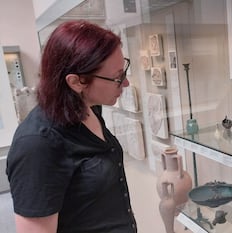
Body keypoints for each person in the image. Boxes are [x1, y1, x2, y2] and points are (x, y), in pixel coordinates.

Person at [6, 20, 137, 233]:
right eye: (117, 77)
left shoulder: (88, 108)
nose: (125, 83)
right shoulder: (37, 145)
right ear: (76, 82)